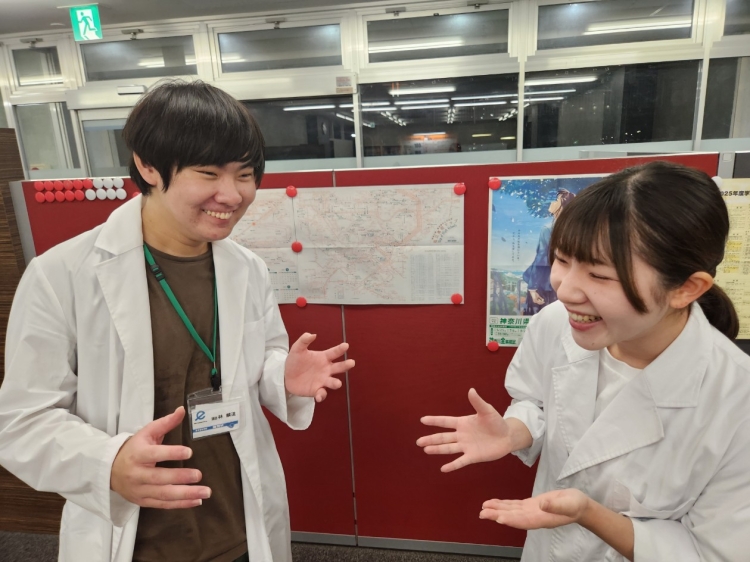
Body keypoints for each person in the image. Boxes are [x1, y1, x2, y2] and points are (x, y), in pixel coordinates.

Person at [0, 80, 354, 562]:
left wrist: (281, 375)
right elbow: (23, 420)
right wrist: (108, 463)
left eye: (245, 174)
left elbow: (257, 360)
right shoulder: (62, 275)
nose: (232, 194)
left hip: (237, 527)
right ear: (148, 166)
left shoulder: (246, 267)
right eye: (208, 173)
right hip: (136, 539)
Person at [417, 161, 750, 561]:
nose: (565, 290)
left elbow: (713, 552)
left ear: (686, 288)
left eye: (600, 275)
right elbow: (536, 399)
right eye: (561, 260)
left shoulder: (736, 401)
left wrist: (590, 515)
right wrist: (514, 431)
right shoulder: (555, 324)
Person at [522, 189, 574, 315]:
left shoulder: (548, 229)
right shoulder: (574, 229)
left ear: (562, 205)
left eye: (555, 200)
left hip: (544, 284)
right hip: (564, 283)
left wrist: (532, 288)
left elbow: (541, 258)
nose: (551, 203)